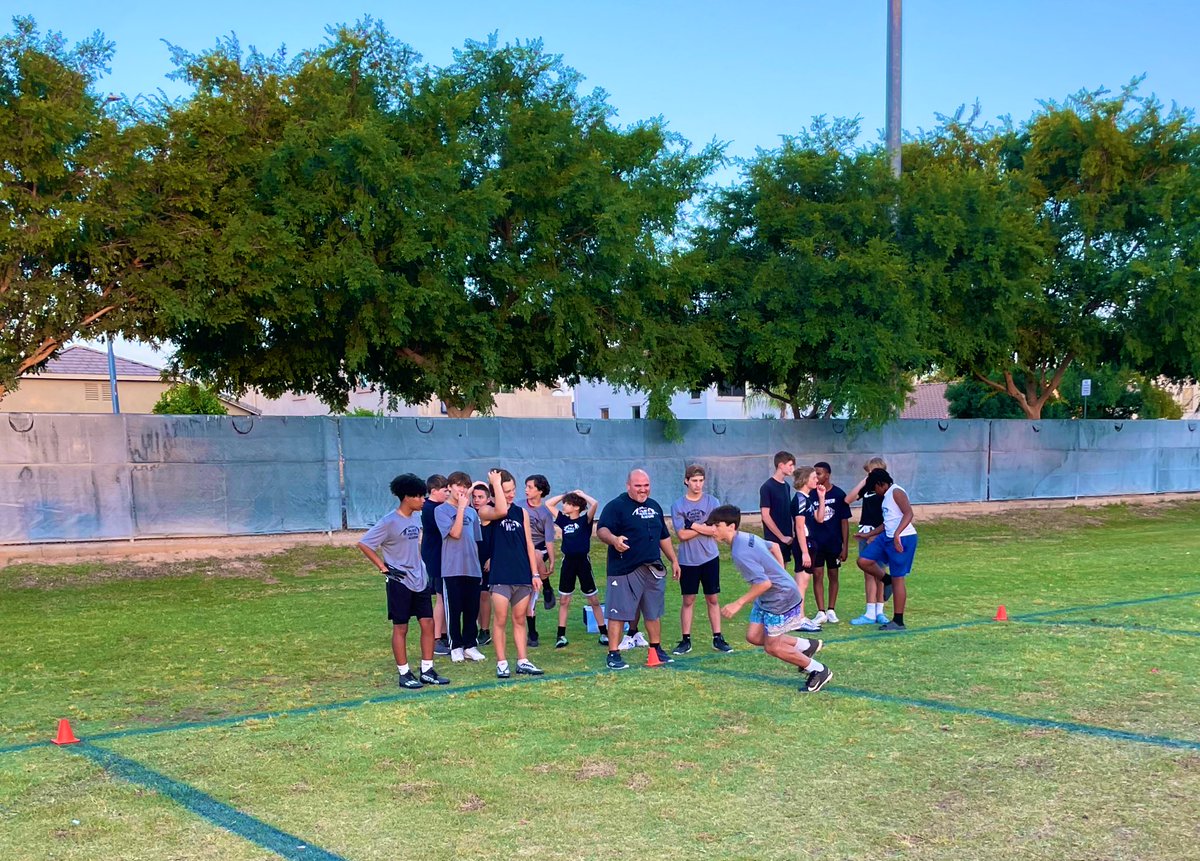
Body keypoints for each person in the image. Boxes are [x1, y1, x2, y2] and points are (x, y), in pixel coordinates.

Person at [706, 505, 833, 693]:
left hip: (780, 598)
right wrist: (780, 572)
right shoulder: (746, 537)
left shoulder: (740, 552)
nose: (713, 530)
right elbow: (774, 546)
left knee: (773, 647)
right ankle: (806, 645)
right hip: (768, 597)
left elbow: (764, 583)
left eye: (717, 525)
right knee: (754, 636)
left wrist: (738, 603)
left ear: (731, 526)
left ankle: (818, 670)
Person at [356, 473, 449, 689]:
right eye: (419, 496)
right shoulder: (389, 521)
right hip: (399, 581)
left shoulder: (417, 517)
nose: (423, 500)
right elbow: (364, 544)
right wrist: (383, 567)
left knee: (428, 623)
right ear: (407, 497)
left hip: (420, 579)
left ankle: (427, 670)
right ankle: (404, 673)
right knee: (401, 628)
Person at [596, 468, 682, 670]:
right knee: (617, 612)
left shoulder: (654, 506)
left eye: (646, 485)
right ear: (628, 486)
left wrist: (674, 560)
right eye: (638, 486)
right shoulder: (617, 506)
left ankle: (656, 649)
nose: (643, 490)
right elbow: (602, 530)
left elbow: (663, 536)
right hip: (624, 568)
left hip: (652, 568)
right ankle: (613, 654)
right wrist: (614, 540)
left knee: (653, 612)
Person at [480, 468, 545, 677]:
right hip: (501, 576)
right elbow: (501, 511)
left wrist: (535, 574)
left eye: (512, 489)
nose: (511, 494)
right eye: (505, 490)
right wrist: (495, 484)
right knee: (500, 620)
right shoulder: (486, 510)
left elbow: (528, 543)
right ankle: (501, 662)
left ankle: (523, 660)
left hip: (521, 575)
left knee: (519, 619)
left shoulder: (522, 512)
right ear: (496, 491)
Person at [669, 465, 732, 655]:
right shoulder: (678, 505)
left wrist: (693, 525)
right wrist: (702, 527)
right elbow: (682, 535)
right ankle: (686, 639)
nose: (698, 485)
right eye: (694, 480)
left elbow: (715, 530)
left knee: (712, 598)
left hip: (710, 558)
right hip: (688, 560)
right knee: (688, 600)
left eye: (701, 480)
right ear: (686, 481)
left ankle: (718, 637)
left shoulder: (713, 502)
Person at [434, 472, 486, 663]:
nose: (462, 490)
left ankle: (470, 645)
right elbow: (455, 533)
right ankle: (455, 646)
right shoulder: (441, 511)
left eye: (465, 486)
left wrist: (480, 567)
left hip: (472, 568)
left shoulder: (473, 513)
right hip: (452, 568)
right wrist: (462, 509)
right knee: (454, 609)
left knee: (472, 609)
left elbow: (476, 541)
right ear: (449, 487)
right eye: (458, 485)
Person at [857, 468, 917, 631]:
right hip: (887, 536)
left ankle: (898, 621)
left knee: (899, 578)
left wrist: (897, 534)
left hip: (903, 538)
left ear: (881, 484)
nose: (875, 492)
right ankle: (886, 580)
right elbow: (888, 522)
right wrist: (869, 534)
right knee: (863, 561)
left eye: (874, 488)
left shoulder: (896, 491)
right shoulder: (886, 497)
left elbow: (908, 513)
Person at [545, 489, 606, 648]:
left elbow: (595, 504)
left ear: (576, 507)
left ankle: (604, 633)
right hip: (568, 564)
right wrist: (565, 495)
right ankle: (561, 636)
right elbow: (548, 504)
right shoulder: (564, 521)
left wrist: (581, 494)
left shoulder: (585, 520)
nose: (564, 505)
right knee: (564, 600)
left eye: (568, 503)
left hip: (583, 563)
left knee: (593, 599)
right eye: (565, 503)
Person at [804, 461, 851, 625]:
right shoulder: (810, 494)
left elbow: (844, 522)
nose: (816, 476)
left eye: (820, 473)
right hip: (816, 543)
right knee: (817, 575)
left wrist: (845, 546)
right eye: (814, 473)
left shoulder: (839, 494)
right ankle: (821, 611)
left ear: (828, 475)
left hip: (833, 543)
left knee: (833, 575)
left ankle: (831, 609)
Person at [846, 457, 891, 626]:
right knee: (868, 573)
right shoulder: (867, 487)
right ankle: (870, 612)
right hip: (865, 532)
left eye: (871, 473)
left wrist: (875, 535)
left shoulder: (886, 489)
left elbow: (888, 515)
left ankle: (879, 611)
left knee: (879, 571)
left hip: (879, 534)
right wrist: (863, 481)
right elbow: (848, 499)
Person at [519, 474, 557, 647]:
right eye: (525, 486)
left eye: (530, 487)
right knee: (527, 592)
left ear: (540, 491)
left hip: (539, 548)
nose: (526, 490)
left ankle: (547, 586)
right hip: (522, 549)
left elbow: (549, 539)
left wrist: (553, 561)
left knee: (536, 554)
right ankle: (532, 631)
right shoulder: (519, 506)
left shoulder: (545, 513)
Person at [420, 474, 452, 656]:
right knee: (441, 597)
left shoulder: (432, 506)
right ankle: (436, 638)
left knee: (444, 596)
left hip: (437, 557)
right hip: (437, 558)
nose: (447, 494)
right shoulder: (432, 509)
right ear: (433, 491)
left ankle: (445, 634)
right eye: (445, 491)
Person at [759, 451, 796, 566]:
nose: (793, 468)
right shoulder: (767, 487)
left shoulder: (786, 486)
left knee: (783, 572)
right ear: (780, 465)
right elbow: (765, 516)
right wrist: (781, 537)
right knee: (775, 574)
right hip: (774, 539)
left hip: (787, 537)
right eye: (790, 465)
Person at [471, 482, 495, 645]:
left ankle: (485, 631)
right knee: (476, 596)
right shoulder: (470, 516)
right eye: (474, 497)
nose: (477, 500)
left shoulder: (494, 519)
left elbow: (500, 542)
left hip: (488, 562)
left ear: (488, 499)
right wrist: (473, 486)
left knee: (484, 595)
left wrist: (492, 558)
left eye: (481, 497)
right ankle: (478, 628)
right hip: (473, 561)